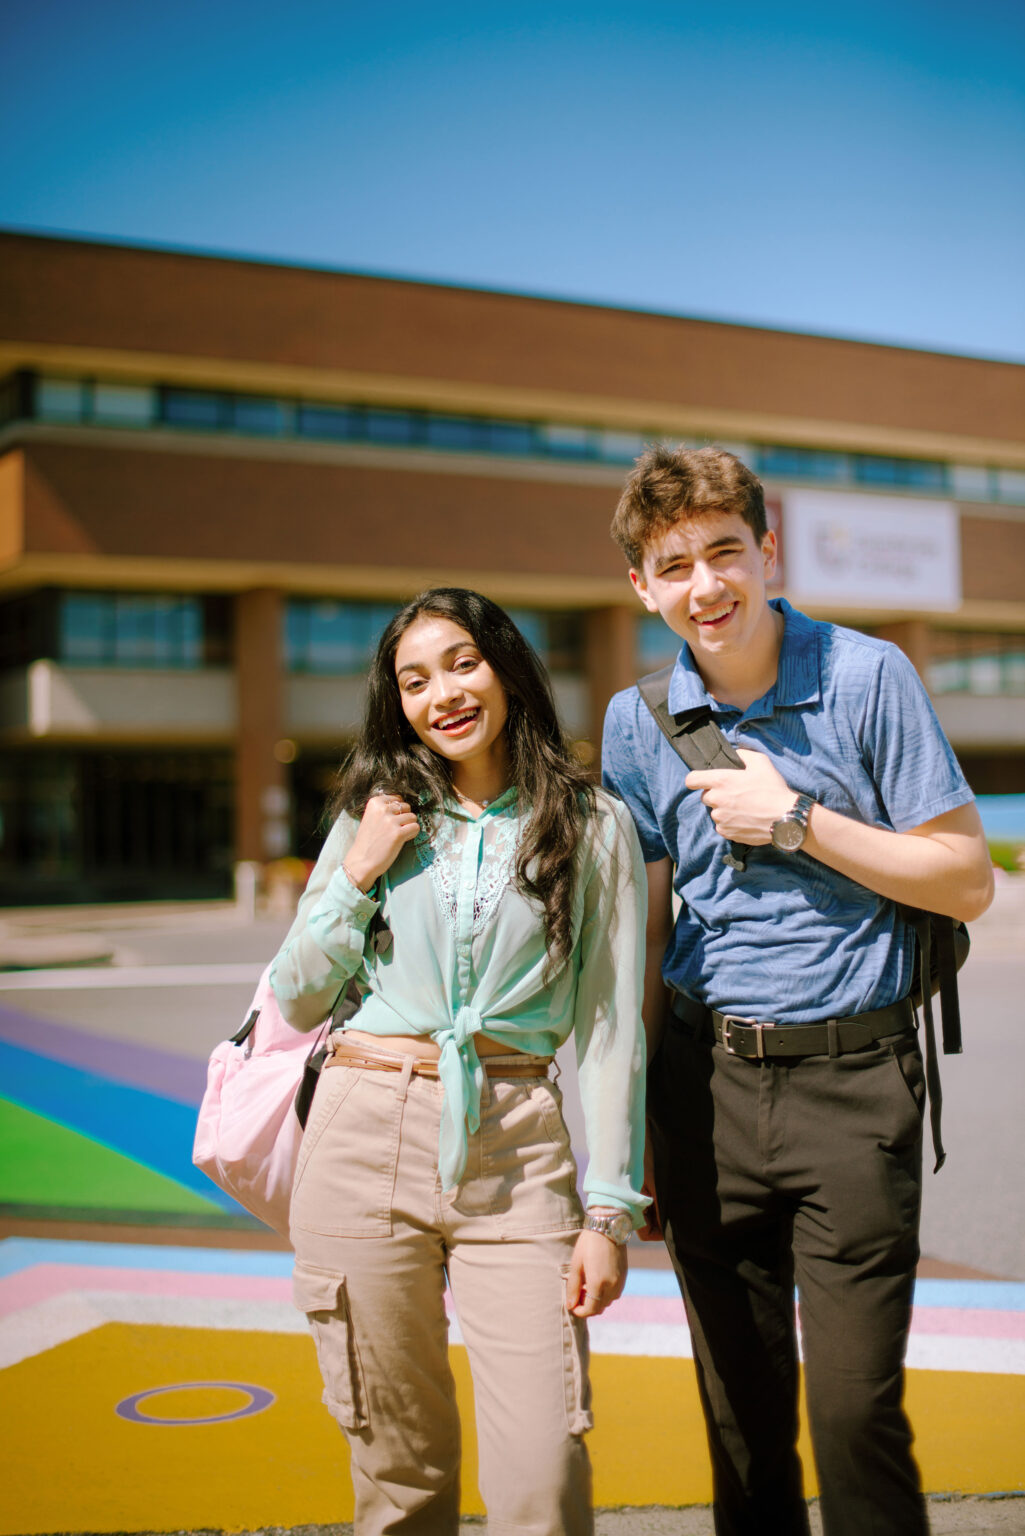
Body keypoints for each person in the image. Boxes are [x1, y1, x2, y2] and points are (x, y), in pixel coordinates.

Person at [601, 445, 994, 1536]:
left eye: (724, 551)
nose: (704, 585)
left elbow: (966, 881)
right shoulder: (635, 722)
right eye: (672, 565)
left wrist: (795, 822)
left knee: (854, 1415)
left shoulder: (867, 678)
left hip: (854, 1084)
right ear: (642, 585)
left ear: (766, 551)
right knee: (737, 1421)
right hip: (703, 1087)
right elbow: (640, 931)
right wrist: (622, 1127)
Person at [271, 587, 648, 1536]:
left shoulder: (592, 825)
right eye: (413, 680)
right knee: (399, 1473)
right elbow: (297, 995)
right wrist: (356, 873)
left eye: (461, 663)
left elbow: (609, 1028)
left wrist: (609, 1209)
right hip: (361, 1129)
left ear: (507, 669)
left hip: (518, 1147)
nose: (441, 692)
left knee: (541, 1474)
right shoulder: (374, 815)